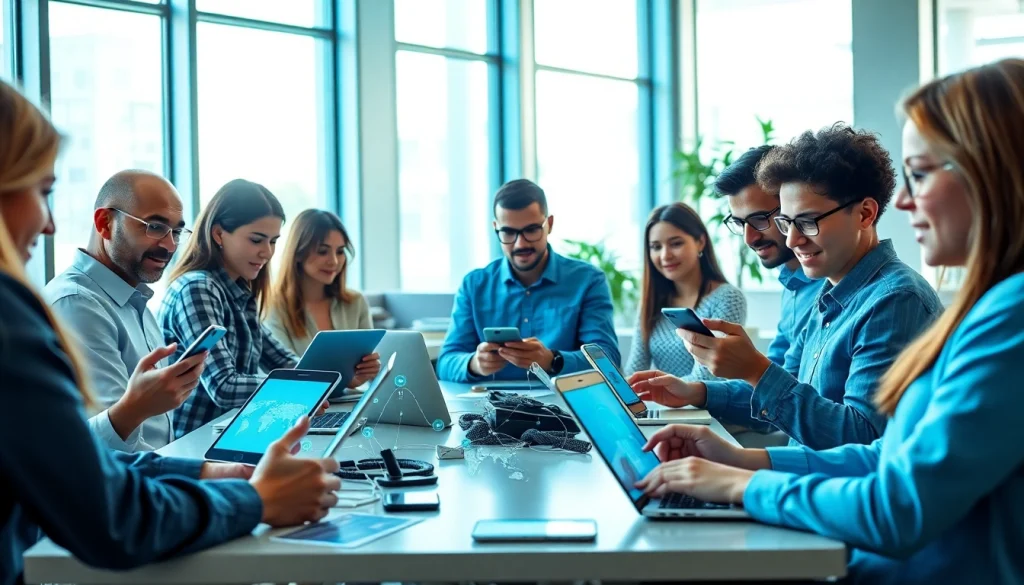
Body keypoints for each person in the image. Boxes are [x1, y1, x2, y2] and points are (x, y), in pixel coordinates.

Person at [634, 58, 1024, 585]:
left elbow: (897, 504)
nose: (903, 202)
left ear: (994, 170)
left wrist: (740, 484)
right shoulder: (986, 305)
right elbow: (887, 455)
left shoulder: (1002, 317)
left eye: (922, 173)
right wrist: (743, 462)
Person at [0, 80, 340, 585]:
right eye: (41, 191)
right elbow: (103, 503)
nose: (48, 223)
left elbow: (85, 467)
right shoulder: (44, 311)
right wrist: (255, 498)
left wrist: (206, 475)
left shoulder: (141, 301)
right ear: (105, 222)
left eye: (175, 229)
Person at [631, 123, 943, 450]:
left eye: (807, 222)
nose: (792, 240)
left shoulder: (895, 299)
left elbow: (862, 439)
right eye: (786, 223)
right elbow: (786, 391)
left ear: (865, 214)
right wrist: (698, 392)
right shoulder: (828, 294)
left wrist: (755, 370)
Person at [44, 170, 204, 452]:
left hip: (156, 474)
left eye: (176, 231)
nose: (170, 245)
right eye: (155, 227)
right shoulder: (78, 303)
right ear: (105, 223)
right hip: (129, 485)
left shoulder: (135, 298)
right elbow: (101, 450)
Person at [436, 179, 620, 382]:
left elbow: (608, 361)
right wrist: (475, 364)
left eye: (531, 230)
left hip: (564, 407)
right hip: (487, 407)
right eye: (508, 232)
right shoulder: (474, 285)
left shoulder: (588, 281)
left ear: (549, 224)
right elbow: (445, 363)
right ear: (496, 228)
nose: (520, 243)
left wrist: (553, 360)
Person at [161, 179, 305, 438]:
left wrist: (334, 375)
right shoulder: (197, 289)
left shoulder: (238, 292)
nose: (267, 253)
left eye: (273, 241)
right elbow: (224, 387)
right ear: (218, 234)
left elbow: (284, 362)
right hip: (196, 446)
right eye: (256, 240)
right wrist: (302, 387)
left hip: (232, 435)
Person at [625, 202, 746, 379]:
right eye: (656, 247)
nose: (665, 255)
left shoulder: (726, 298)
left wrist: (655, 388)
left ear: (700, 242)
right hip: (663, 404)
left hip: (708, 406)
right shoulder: (652, 302)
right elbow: (635, 370)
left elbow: (708, 377)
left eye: (675, 243)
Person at [265, 209, 380, 385]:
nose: (334, 261)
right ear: (298, 253)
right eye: (322, 251)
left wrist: (371, 370)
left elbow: (372, 373)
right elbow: (288, 378)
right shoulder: (273, 306)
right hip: (303, 406)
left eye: (340, 251)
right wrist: (350, 381)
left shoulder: (355, 302)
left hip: (350, 401)